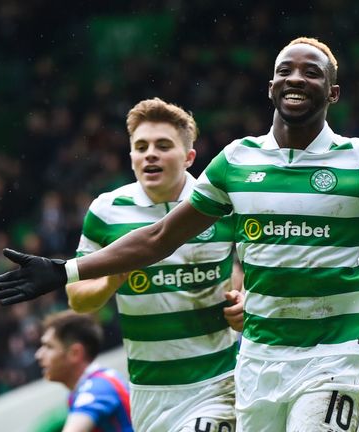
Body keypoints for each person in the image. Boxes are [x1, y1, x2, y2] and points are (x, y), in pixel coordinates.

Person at [0, 37, 359, 432]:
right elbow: (158, 240)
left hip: (336, 347)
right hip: (259, 352)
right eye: (286, 69)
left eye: (312, 73)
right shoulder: (234, 164)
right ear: (271, 85)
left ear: (332, 93)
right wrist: (65, 270)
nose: (296, 78)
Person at [64, 98, 239, 431]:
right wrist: (110, 281)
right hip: (147, 389)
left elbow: (247, 266)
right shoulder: (106, 211)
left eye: (163, 145)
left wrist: (244, 299)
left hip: (217, 382)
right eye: (140, 146)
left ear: (189, 157)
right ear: (131, 157)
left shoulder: (222, 205)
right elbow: (77, 299)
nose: (150, 154)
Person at [36, 310, 133, 432]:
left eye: (49, 347)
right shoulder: (78, 393)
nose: (38, 355)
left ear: (75, 353)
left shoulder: (99, 387)